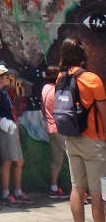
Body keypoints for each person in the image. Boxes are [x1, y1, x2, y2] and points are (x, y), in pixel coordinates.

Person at [57, 36, 106, 222]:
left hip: (71, 138)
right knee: (97, 193)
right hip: (94, 141)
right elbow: (103, 113)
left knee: (77, 188)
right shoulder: (92, 79)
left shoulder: (62, 78)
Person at [0, 63, 30, 206]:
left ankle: (17, 191)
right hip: (4, 129)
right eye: (5, 76)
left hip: (11, 127)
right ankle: (5, 193)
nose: (8, 78)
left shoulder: (3, 91)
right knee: (7, 161)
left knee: (19, 161)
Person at [41, 65, 69, 199]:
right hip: (59, 128)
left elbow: (42, 108)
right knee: (73, 157)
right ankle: (80, 191)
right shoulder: (57, 91)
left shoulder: (45, 89)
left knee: (56, 158)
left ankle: (53, 188)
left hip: (49, 127)